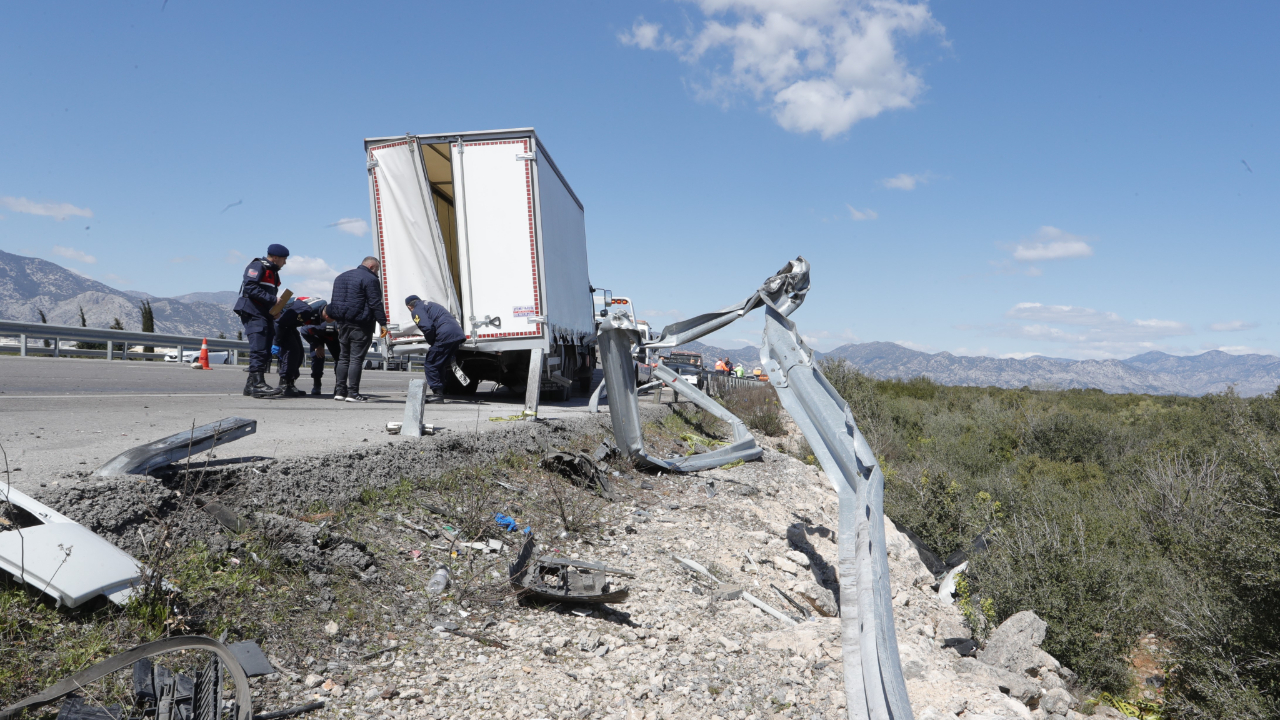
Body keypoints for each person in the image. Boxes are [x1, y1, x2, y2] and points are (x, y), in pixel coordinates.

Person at [327, 256, 388, 402]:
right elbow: (375, 303)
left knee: (343, 358)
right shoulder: (370, 279)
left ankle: (340, 391)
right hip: (361, 325)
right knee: (356, 359)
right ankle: (353, 393)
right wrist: (383, 323)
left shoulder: (340, 277)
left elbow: (334, 302)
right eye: (377, 270)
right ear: (372, 267)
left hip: (342, 324)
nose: (377, 273)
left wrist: (338, 322)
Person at [233, 244, 288, 396]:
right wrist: (273, 300)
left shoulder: (273, 272)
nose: (285, 263)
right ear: (275, 258)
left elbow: (266, 296)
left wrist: (275, 310)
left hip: (264, 313)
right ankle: (258, 384)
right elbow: (250, 287)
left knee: (265, 349)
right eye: (284, 259)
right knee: (259, 348)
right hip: (253, 312)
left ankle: (250, 386)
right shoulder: (258, 266)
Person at [405, 294, 466, 402]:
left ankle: (437, 394)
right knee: (440, 364)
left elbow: (427, 327)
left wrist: (431, 341)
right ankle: (441, 391)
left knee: (431, 364)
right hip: (457, 334)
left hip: (445, 335)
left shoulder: (416, 310)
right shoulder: (430, 304)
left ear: (409, 307)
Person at [271, 296, 328, 398]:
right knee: (291, 352)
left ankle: (291, 383)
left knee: (299, 352)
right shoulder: (306, 309)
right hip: (280, 323)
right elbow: (279, 323)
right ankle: (284, 385)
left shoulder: (318, 308)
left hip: (289, 325)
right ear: (327, 315)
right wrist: (276, 343)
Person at [300, 309, 341, 396]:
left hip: (333, 338)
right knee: (317, 357)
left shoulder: (340, 327)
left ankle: (339, 385)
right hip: (317, 337)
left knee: (340, 359)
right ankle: (317, 384)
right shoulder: (321, 326)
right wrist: (317, 346)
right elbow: (303, 330)